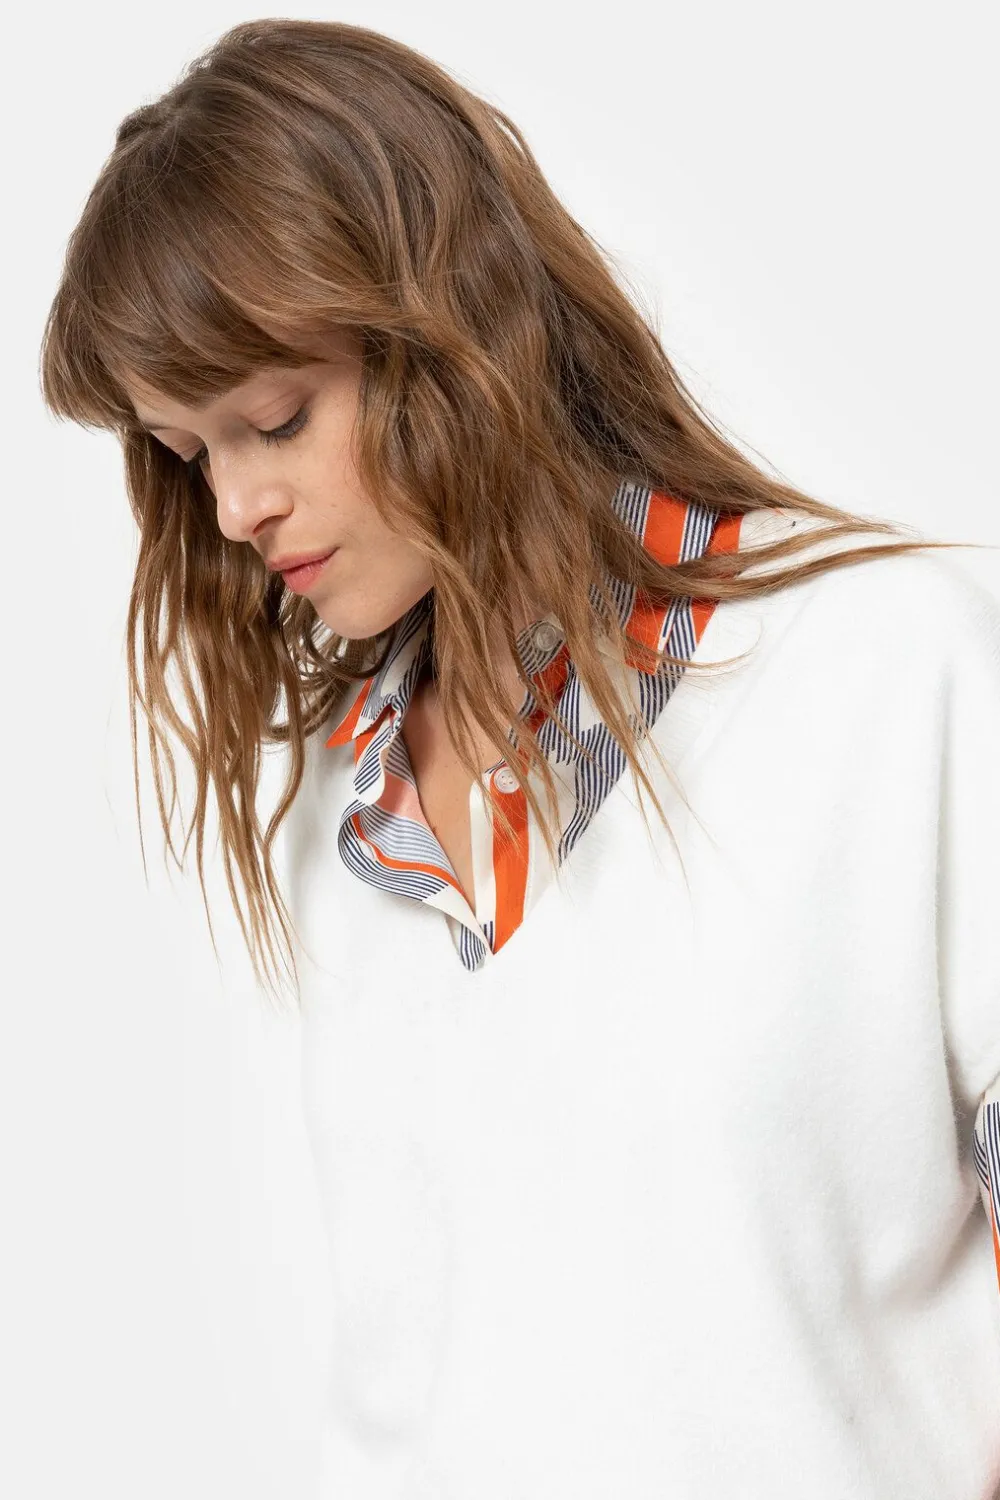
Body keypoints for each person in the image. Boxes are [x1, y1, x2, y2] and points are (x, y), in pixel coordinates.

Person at [39, 18, 999, 1499]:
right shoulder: (340, 819)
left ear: (450, 327)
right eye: (190, 453)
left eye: (277, 419)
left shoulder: (886, 666)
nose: (234, 506)